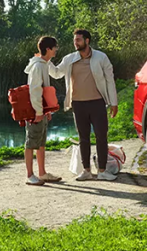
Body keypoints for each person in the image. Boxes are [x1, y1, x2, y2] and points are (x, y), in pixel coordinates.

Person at [49, 29, 118, 181]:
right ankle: (86, 171)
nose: (76, 43)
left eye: (78, 40)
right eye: (75, 40)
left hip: (97, 103)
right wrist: (45, 60)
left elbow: (110, 80)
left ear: (87, 41)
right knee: (83, 138)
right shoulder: (69, 59)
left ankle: (102, 171)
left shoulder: (101, 57)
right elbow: (56, 73)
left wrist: (114, 103)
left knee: (101, 136)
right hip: (78, 104)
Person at [23, 36, 63, 186]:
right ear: (48, 49)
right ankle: (29, 175)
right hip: (35, 111)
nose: (56, 50)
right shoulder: (38, 66)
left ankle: (42, 173)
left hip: (41, 110)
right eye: (55, 47)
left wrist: (46, 111)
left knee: (41, 142)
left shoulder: (44, 64)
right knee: (31, 143)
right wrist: (39, 112)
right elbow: (35, 90)